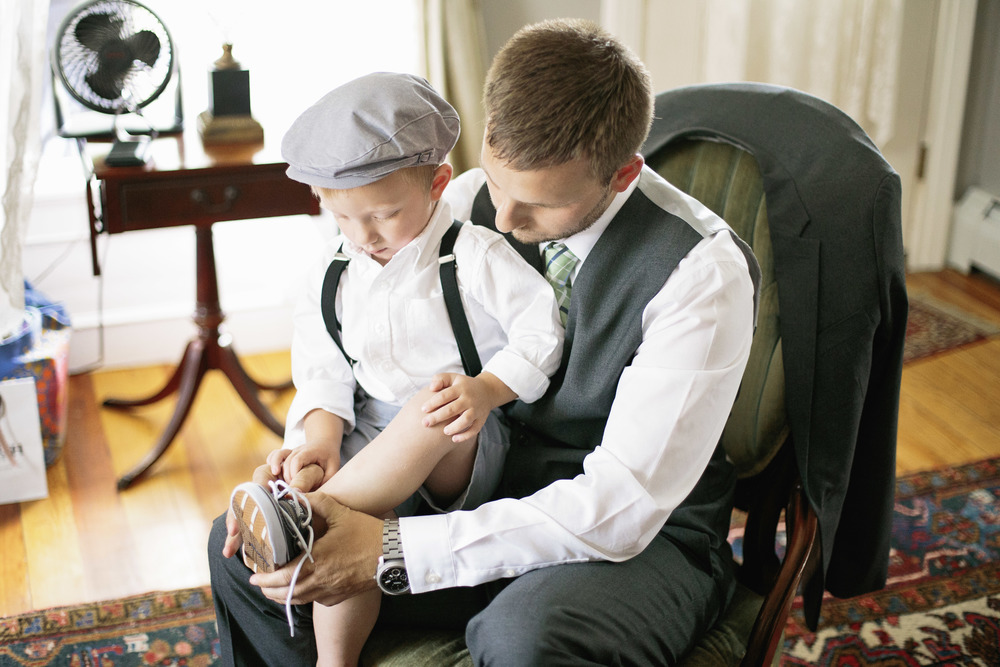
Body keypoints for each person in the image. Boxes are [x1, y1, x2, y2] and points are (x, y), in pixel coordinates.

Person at [209, 18, 761, 666]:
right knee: (250, 552)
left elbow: (621, 506)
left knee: (522, 637)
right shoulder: (460, 204)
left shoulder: (700, 274)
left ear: (621, 175)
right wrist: (310, 441)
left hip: (639, 542)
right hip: (483, 493)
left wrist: (389, 552)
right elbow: (359, 347)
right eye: (497, 185)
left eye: (538, 206)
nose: (503, 220)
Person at [225, 71, 563, 666]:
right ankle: (335, 653)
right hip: (368, 433)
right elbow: (324, 376)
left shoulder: (474, 256)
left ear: (437, 184)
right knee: (349, 511)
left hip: (459, 440)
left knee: (428, 402)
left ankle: (298, 514)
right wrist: (321, 441)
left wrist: (486, 389)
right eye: (343, 219)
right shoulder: (329, 276)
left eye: (382, 215)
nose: (364, 237)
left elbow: (542, 331)